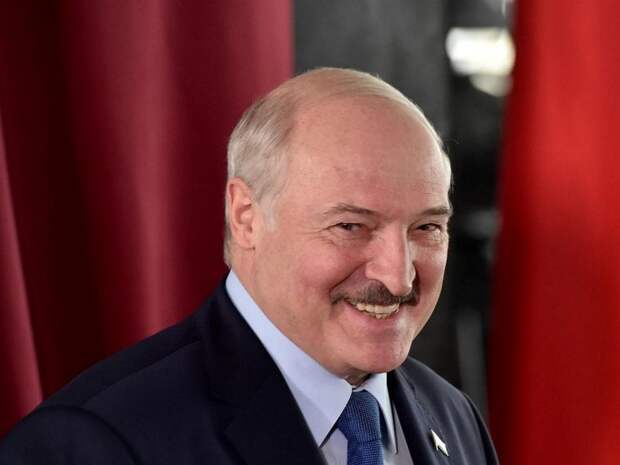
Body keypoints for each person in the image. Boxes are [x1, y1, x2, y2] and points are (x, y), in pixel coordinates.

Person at [0, 68, 498, 465]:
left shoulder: (454, 417)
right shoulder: (96, 443)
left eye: (427, 227)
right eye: (351, 226)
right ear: (246, 217)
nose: (399, 276)